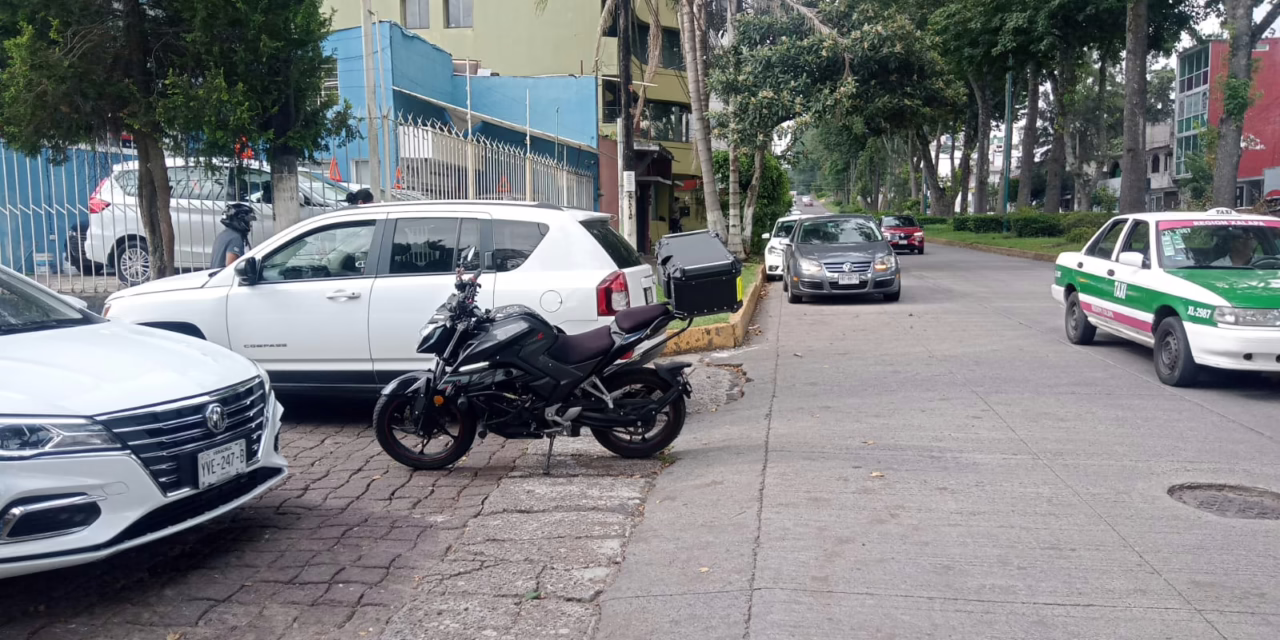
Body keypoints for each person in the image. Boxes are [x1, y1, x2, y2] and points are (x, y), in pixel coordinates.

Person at [210, 203, 256, 269]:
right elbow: (231, 267)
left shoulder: (223, 235)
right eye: (247, 222)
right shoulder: (236, 238)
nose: (250, 225)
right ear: (240, 220)